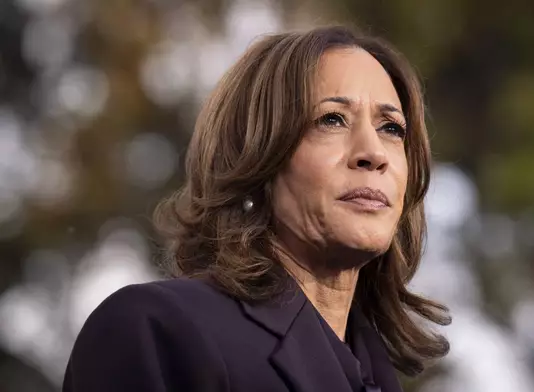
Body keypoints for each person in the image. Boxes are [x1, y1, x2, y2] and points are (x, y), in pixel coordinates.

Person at [62, 25, 451, 392]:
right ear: (255, 159)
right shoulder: (154, 331)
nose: (373, 153)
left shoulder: (378, 374)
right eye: (331, 119)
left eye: (391, 128)